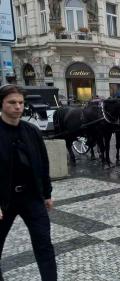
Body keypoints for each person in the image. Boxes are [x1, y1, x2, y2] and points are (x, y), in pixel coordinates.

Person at [0, 85, 57, 281]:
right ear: (1, 104)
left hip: (32, 197)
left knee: (44, 246)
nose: (18, 107)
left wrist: (47, 194)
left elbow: (43, 163)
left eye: (21, 103)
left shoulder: (31, 131)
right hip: (4, 201)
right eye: (12, 103)